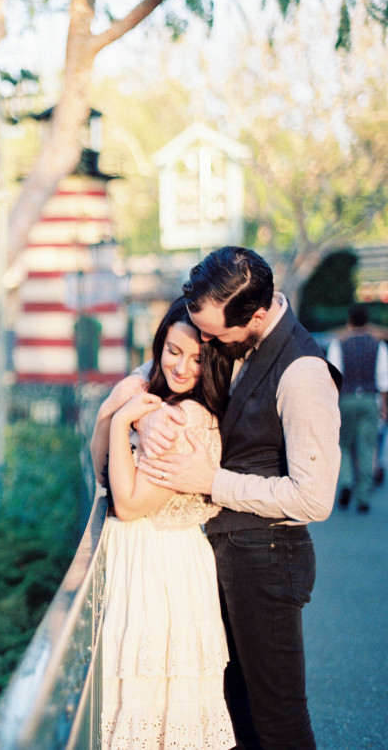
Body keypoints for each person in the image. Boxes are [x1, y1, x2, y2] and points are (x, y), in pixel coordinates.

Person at [131, 247, 340, 750]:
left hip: (269, 560)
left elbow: (315, 499)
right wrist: (143, 411)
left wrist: (211, 479)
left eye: (214, 334)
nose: (205, 341)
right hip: (229, 556)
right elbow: (165, 367)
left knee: (278, 719)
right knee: (236, 712)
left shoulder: (303, 373)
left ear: (258, 314)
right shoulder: (231, 327)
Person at [95, 298, 234, 748]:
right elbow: (97, 468)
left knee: (157, 711)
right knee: (141, 709)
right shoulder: (158, 400)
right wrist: (117, 412)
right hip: (143, 564)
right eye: (173, 351)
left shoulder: (188, 419)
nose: (182, 367)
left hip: (162, 571)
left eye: (197, 359)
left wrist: (121, 423)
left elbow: (130, 504)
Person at [326, 305, 388, 513]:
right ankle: (363, 495)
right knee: (367, 447)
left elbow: (334, 375)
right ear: (367, 322)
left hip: (346, 398)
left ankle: (345, 482)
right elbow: (384, 378)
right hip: (370, 398)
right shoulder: (377, 345)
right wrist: (384, 406)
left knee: (343, 445)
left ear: (349, 322)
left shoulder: (339, 344)